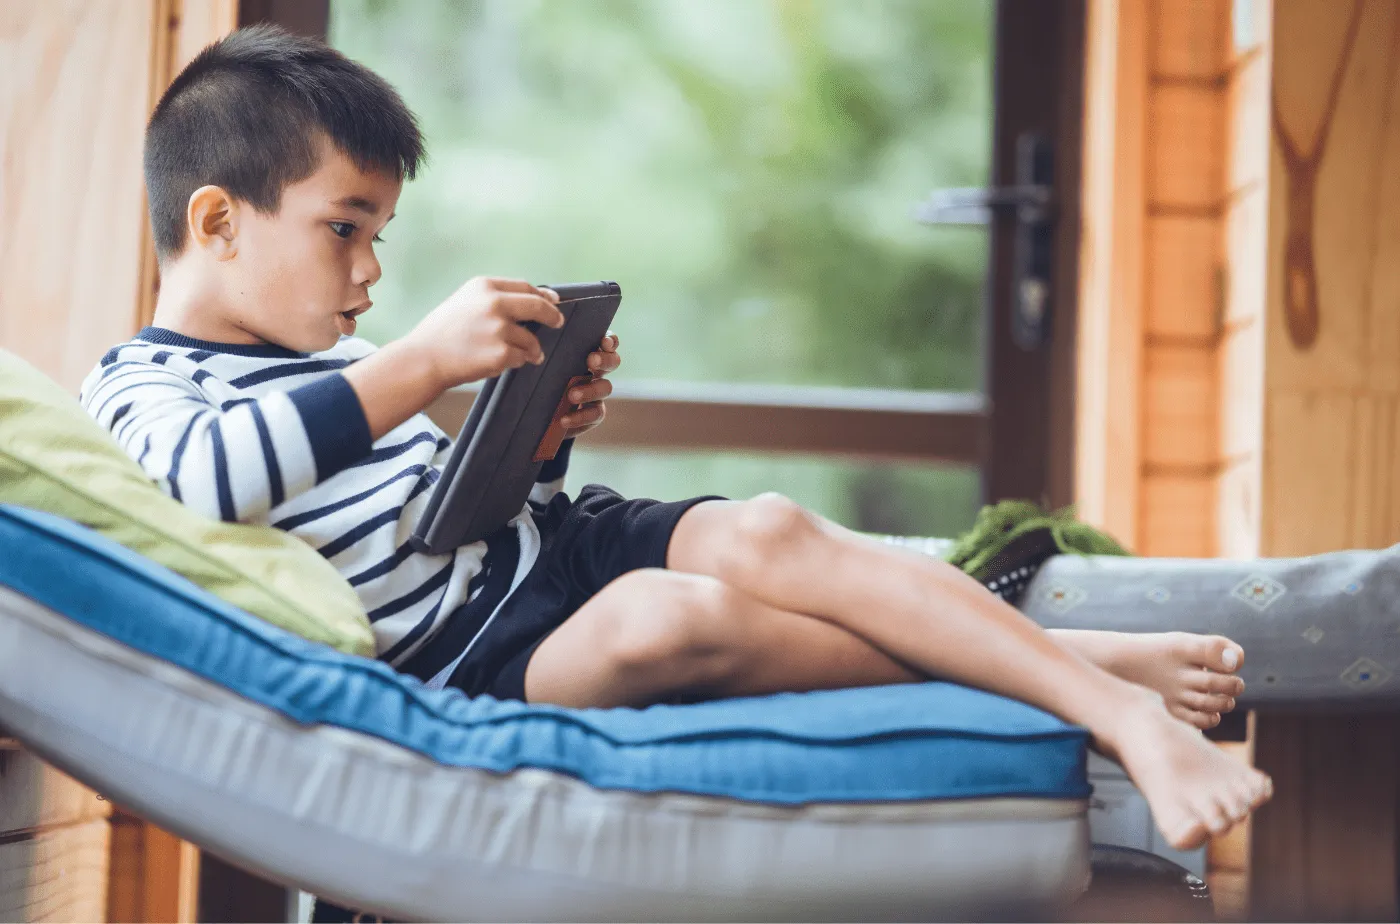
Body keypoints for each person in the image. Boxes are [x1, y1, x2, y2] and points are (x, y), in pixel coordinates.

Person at [82, 24, 1270, 851]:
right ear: (216, 221)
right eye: (345, 228)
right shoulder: (141, 390)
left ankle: (1114, 707)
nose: (373, 268)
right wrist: (426, 361)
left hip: (540, 551)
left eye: (380, 231)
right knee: (670, 624)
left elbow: (448, 507)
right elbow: (203, 484)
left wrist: (536, 441)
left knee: (763, 531)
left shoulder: (334, 363)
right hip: (463, 658)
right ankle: (1094, 681)